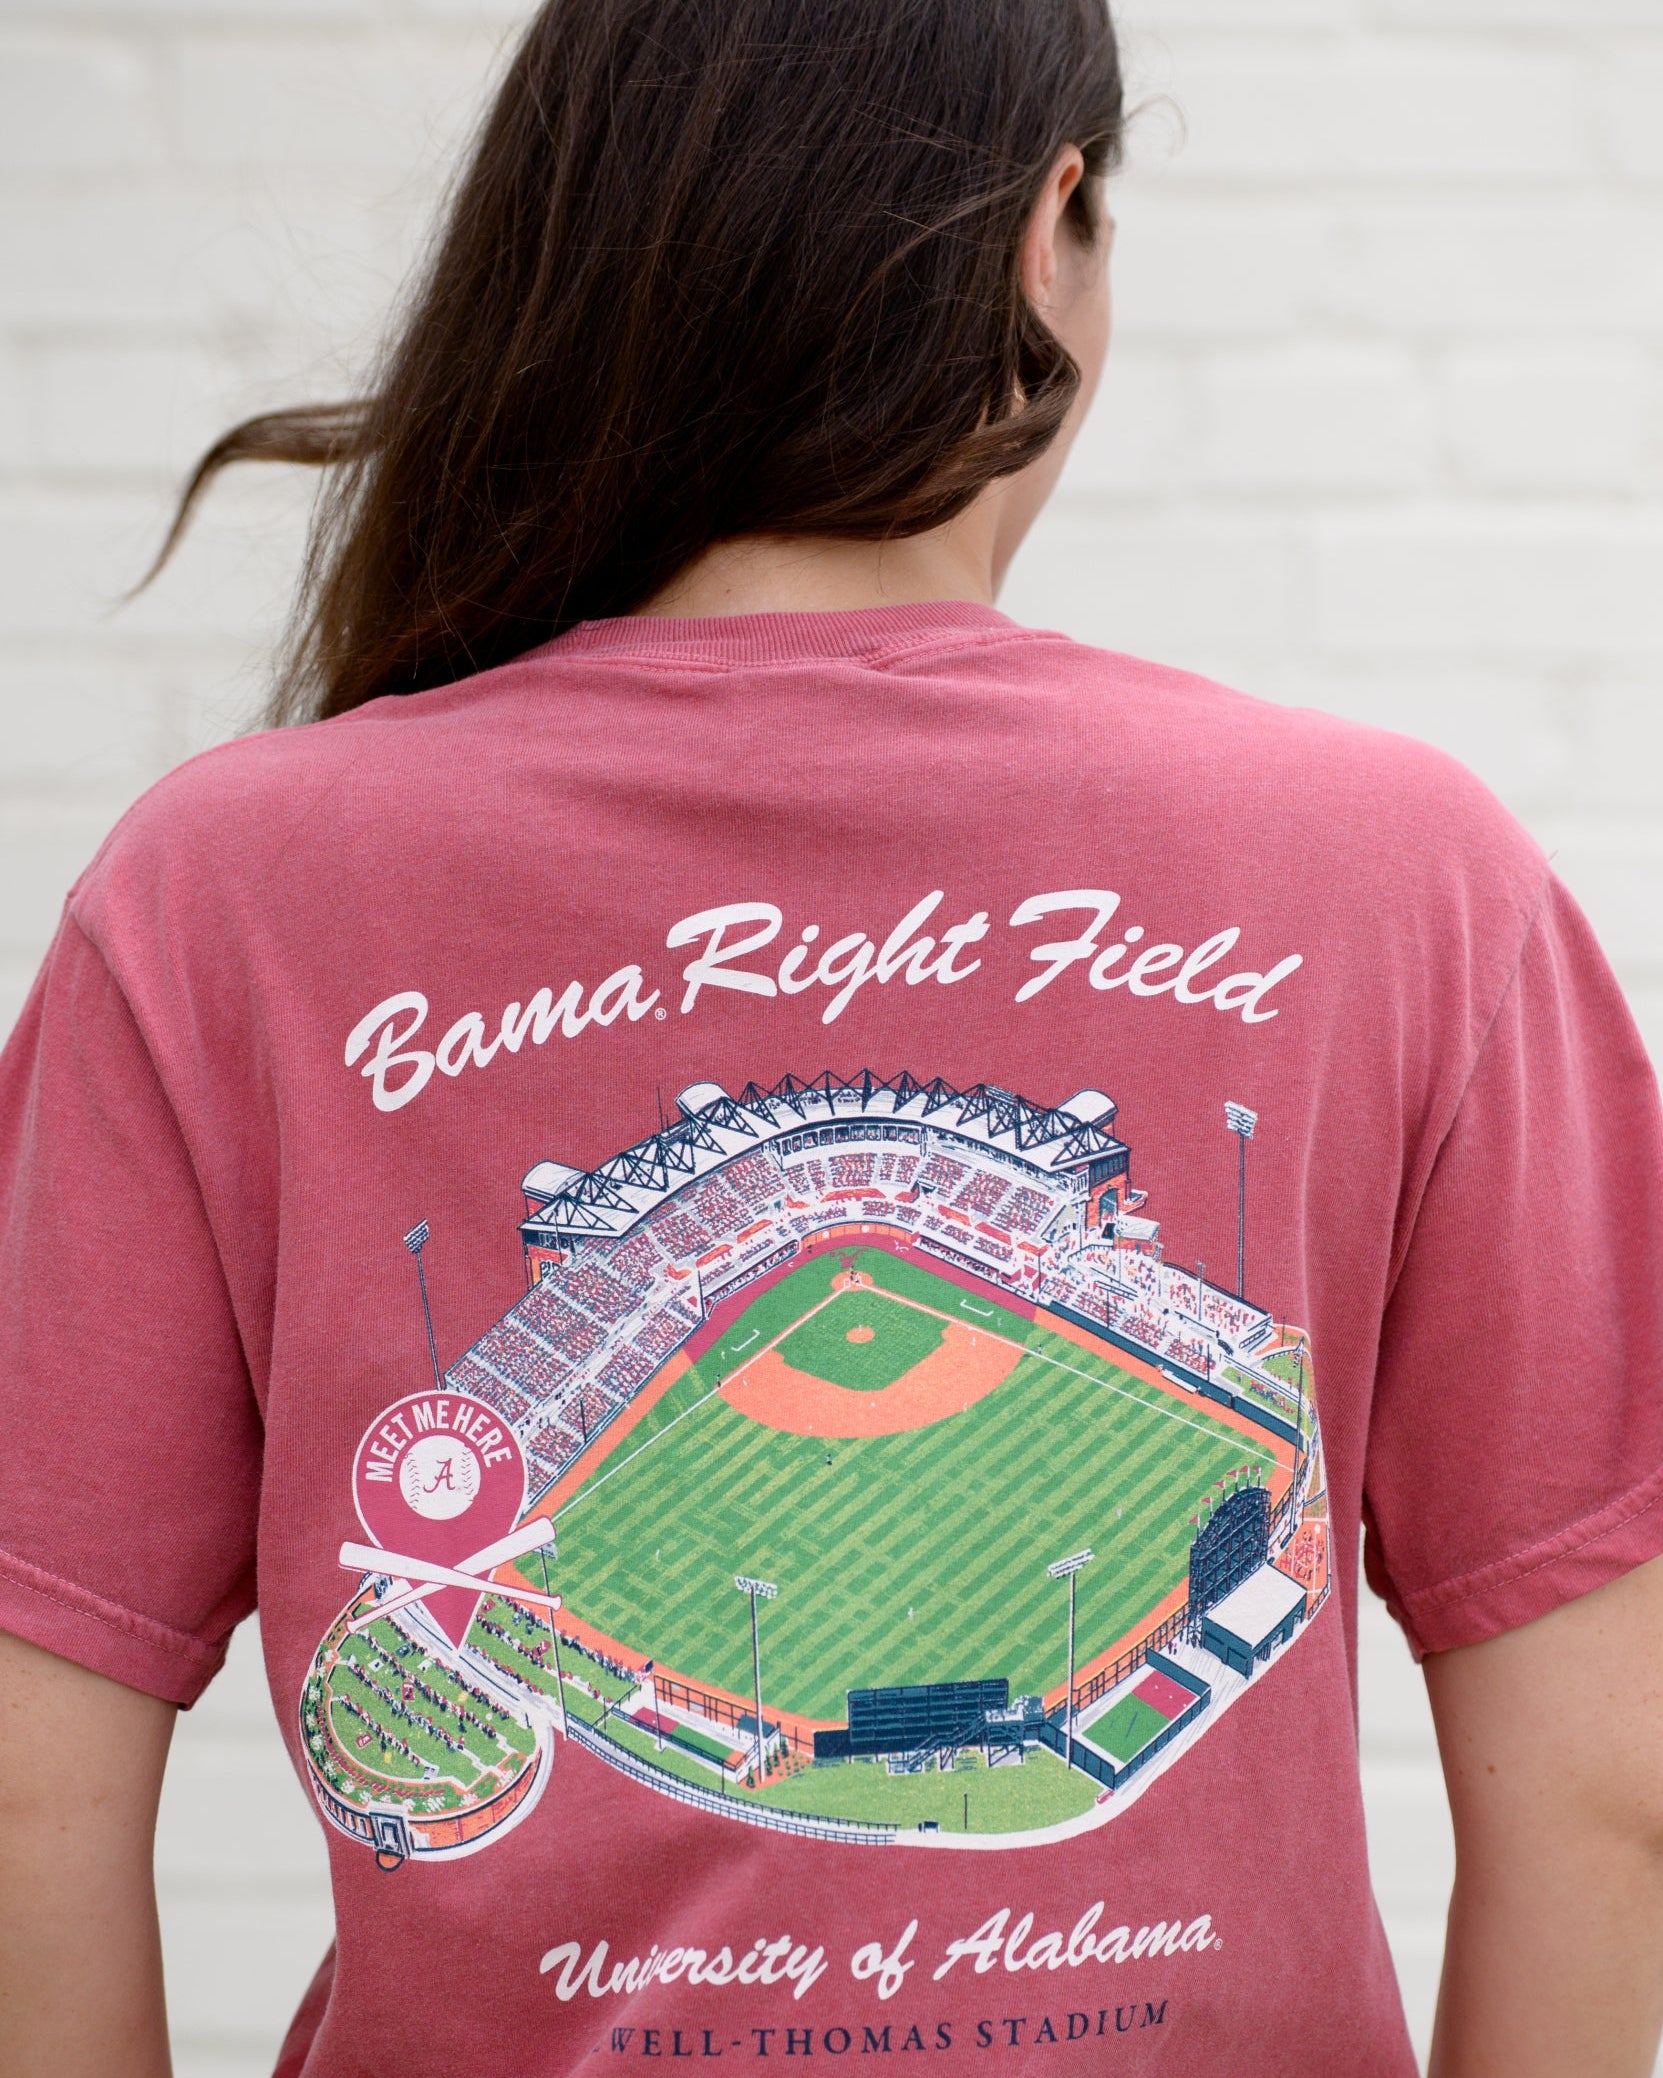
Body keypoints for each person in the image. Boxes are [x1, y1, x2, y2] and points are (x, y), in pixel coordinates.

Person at [1, 2, 1660, 2074]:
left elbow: (26, 1795)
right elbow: (1614, 1792)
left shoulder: (211, 891)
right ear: (1050, 228)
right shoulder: (1411, 867)